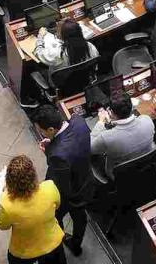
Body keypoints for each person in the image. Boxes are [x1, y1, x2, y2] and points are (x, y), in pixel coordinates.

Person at [33, 105, 94, 256]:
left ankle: (58, 239)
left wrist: (49, 150)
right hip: (86, 179)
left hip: (71, 192)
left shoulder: (56, 154)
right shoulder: (78, 121)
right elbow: (71, 142)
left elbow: (61, 184)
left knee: (55, 216)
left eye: (41, 130)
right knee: (80, 218)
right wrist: (52, 144)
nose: (40, 133)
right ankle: (76, 244)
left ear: (51, 129)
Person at [0, 155, 65, 264]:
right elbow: (57, 205)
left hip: (23, 251)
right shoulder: (50, 187)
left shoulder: (7, 203)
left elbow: (2, 225)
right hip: (52, 244)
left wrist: (5, 193)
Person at [90, 95, 155, 174]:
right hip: (146, 164)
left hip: (121, 175)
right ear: (131, 108)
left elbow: (90, 148)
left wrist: (100, 122)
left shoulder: (106, 137)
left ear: (111, 113)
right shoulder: (147, 120)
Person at [33, 20, 98, 72]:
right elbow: (95, 67)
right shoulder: (90, 46)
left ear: (64, 37)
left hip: (63, 84)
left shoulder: (58, 53)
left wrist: (40, 37)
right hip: (87, 78)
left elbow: (39, 52)